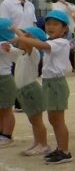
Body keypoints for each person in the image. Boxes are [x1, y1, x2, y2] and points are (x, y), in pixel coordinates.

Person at [15, 8, 75, 164]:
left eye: (56, 24)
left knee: (58, 120)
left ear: (64, 29)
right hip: (49, 83)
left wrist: (18, 32)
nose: (50, 26)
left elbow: (40, 45)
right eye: (48, 23)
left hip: (56, 83)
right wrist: (26, 37)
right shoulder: (51, 42)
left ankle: (65, 151)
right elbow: (40, 43)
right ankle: (60, 148)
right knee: (53, 119)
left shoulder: (61, 42)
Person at [10, 26, 48, 155]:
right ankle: (37, 142)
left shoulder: (34, 53)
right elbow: (11, 49)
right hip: (23, 91)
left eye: (25, 37)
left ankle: (43, 144)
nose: (21, 40)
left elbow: (29, 44)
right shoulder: (21, 54)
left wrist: (16, 29)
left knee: (37, 120)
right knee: (32, 119)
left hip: (31, 90)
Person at [0, 20, 17, 147]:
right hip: (4, 79)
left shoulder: (6, 45)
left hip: (4, 79)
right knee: (1, 110)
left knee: (6, 110)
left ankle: (7, 135)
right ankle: (1, 132)